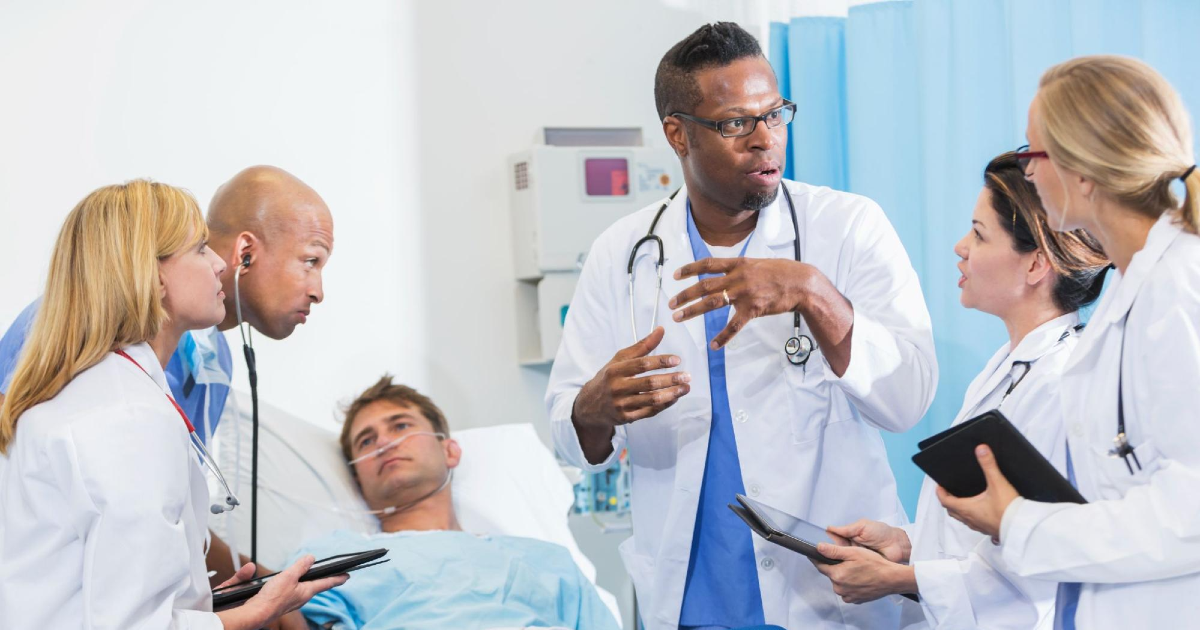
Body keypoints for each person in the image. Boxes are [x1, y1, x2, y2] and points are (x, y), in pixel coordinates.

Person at [546, 22, 937, 630]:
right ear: (678, 133)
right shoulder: (623, 252)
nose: (765, 140)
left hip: (833, 593)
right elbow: (569, 437)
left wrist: (814, 292)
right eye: (735, 123)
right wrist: (594, 408)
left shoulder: (849, 227)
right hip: (693, 598)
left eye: (775, 114)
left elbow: (908, 399)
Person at [0, 180, 344, 629]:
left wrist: (195, 599)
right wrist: (256, 611)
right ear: (154, 274)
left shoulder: (133, 391)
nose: (218, 263)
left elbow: (103, 564)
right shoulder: (128, 416)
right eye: (201, 248)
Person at [938, 55, 1200, 629]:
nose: (1025, 172)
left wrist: (1021, 523)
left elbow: (1192, 510)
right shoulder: (1136, 294)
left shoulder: (1177, 289)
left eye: (1034, 153)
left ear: (1082, 172)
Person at [811, 152, 1109, 629]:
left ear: (1036, 264)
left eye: (979, 233)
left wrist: (902, 578)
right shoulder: (1009, 369)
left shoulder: (1057, 388)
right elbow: (986, 533)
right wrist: (906, 544)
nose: (960, 247)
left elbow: (1034, 574)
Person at [290, 375, 621, 630]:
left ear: (449, 451)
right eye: (366, 440)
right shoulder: (331, 558)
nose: (385, 443)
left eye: (401, 425)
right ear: (357, 478)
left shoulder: (547, 561)